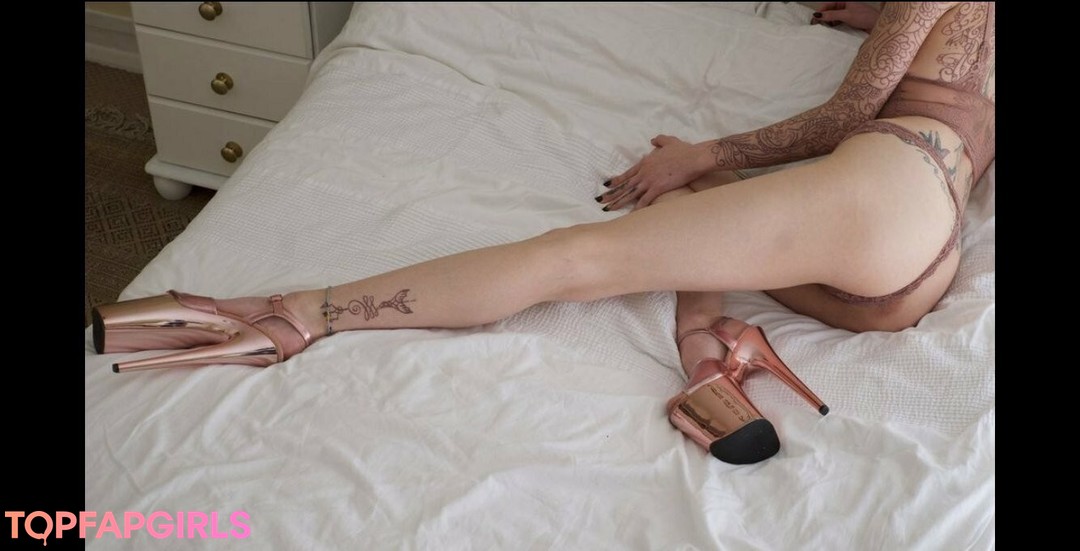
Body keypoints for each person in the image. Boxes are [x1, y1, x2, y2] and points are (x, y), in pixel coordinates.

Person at [91, 2, 995, 465]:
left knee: (575, 258)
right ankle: (709, 351)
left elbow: (847, 114)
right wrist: (887, 20)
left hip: (884, 190)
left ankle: (292, 313)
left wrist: (706, 150)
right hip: (910, 274)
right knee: (705, 219)